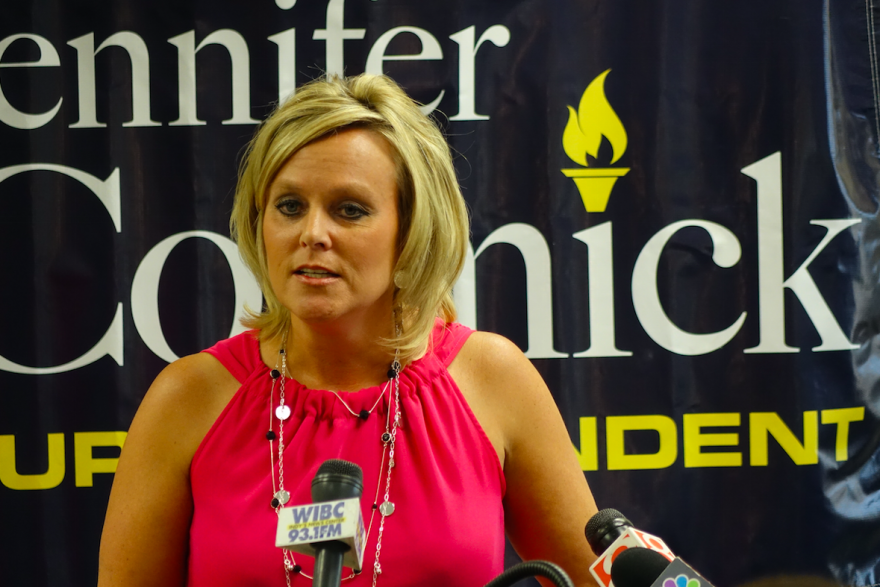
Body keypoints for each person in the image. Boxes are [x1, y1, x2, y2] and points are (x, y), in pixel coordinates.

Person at [98, 73, 599, 587]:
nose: (313, 234)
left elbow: (597, 577)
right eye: (290, 206)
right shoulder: (188, 399)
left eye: (349, 210)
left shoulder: (491, 380)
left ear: (412, 231)